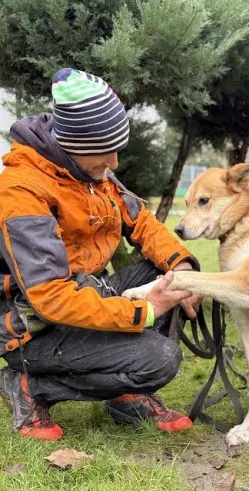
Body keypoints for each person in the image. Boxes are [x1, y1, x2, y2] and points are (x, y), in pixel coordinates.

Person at [0, 68, 200, 441]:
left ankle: (127, 396)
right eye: (105, 152)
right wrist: (144, 310)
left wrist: (183, 266)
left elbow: (141, 222)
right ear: (73, 144)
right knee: (159, 360)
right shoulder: (21, 191)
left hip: (84, 292)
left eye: (116, 149)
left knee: (176, 279)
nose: (115, 163)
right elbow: (50, 299)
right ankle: (28, 384)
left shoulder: (89, 171)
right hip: (30, 327)